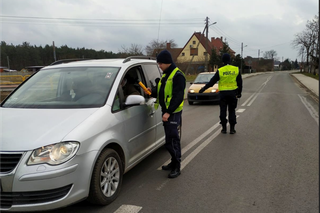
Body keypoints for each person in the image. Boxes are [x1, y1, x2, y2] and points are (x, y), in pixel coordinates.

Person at [145, 50, 186, 178]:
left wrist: (168, 112)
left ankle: (177, 167)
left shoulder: (177, 75)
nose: (159, 65)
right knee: (168, 140)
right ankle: (173, 162)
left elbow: (178, 97)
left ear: (168, 62)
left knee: (173, 141)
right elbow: (161, 91)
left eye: (161, 63)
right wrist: (151, 92)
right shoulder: (165, 75)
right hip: (167, 112)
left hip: (172, 113)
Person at [199, 53, 243, 134]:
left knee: (223, 111)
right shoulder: (236, 69)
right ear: (230, 60)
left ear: (223, 61)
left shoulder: (220, 70)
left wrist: (203, 89)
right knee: (232, 111)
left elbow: (212, 82)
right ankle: (232, 129)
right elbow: (240, 83)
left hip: (223, 94)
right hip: (233, 93)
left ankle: (224, 129)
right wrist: (239, 93)